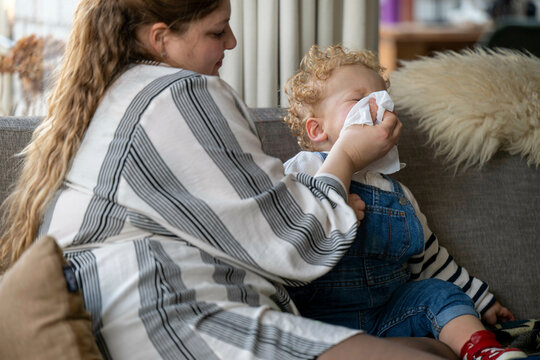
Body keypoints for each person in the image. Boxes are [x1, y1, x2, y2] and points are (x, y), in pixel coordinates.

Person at [0, 0, 461, 359]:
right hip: (169, 311)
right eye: (217, 31)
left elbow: (243, 217)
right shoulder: (179, 92)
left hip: (124, 307)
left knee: (434, 349)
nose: (233, 42)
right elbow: (295, 240)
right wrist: (346, 156)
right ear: (161, 39)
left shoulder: (115, 94)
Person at [283, 44, 528, 360]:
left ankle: (483, 350)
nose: (379, 107)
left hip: (388, 318)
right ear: (318, 129)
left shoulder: (397, 192)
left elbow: (431, 259)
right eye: (359, 100)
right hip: (317, 322)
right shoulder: (305, 167)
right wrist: (336, 199)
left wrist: (482, 300)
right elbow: (289, 227)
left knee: (438, 294)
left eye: (384, 99)